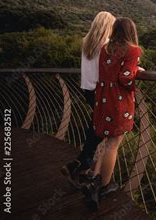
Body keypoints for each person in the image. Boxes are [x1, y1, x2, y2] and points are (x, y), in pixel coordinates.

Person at [82, 17, 143, 211]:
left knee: (107, 141)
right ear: (131, 31)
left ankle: (94, 181)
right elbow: (125, 78)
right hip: (118, 102)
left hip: (103, 99)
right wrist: (135, 70)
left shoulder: (105, 49)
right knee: (114, 144)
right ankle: (104, 186)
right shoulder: (133, 50)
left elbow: (109, 72)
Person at [61, 11, 115, 189]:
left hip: (87, 90)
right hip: (101, 92)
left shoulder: (86, 41)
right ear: (109, 26)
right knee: (103, 129)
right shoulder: (107, 45)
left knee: (96, 124)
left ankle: (82, 166)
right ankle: (82, 165)